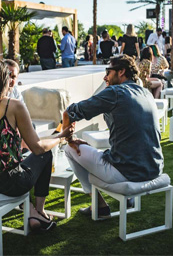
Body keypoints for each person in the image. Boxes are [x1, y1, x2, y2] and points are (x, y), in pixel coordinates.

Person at [0, 59, 74, 231]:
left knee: (24, 158)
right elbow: (37, 147)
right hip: (6, 184)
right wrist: (61, 137)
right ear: (4, 80)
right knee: (45, 154)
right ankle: (38, 212)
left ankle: (35, 212)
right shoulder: (13, 105)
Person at [62, 55, 163, 218]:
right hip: (154, 168)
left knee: (69, 150)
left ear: (121, 72)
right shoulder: (145, 93)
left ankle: (99, 206)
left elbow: (70, 111)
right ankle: (128, 197)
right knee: (118, 148)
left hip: (128, 172)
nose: (105, 77)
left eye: (108, 71)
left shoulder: (114, 92)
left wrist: (70, 140)